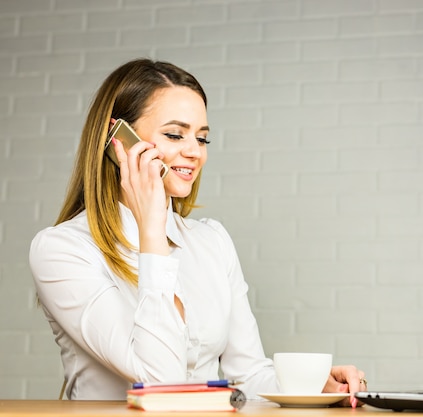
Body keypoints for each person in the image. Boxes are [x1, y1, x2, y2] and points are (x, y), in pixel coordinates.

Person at [29, 58, 366, 406]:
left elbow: (247, 375)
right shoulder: (61, 250)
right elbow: (160, 382)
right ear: (120, 142)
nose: (194, 152)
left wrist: (311, 387)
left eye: (202, 138)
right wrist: (152, 230)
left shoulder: (212, 242)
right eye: (175, 134)